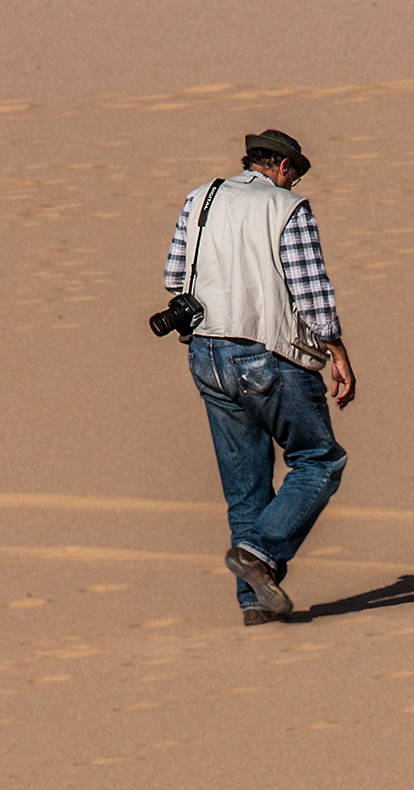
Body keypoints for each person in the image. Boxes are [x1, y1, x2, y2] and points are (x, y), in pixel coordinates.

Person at [164, 129, 355, 626]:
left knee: (245, 488)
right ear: (285, 169)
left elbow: (173, 275)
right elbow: (311, 293)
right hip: (266, 355)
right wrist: (337, 351)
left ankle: (254, 605)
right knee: (319, 462)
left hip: (206, 352)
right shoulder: (286, 208)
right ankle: (260, 553)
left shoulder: (201, 197)